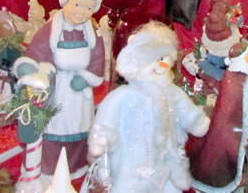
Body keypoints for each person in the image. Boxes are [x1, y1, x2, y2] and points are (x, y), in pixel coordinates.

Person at [88, 21, 210, 193]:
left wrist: (197, 123)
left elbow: (187, 112)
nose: (159, 65)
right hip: (131, 159)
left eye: (163, 59)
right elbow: (108, 115)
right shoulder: (125, 95)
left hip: (166, 160)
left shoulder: (172, 93)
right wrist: (100, 138)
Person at [20, 0, 106, 182]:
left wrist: (87, 77)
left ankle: (75, 166)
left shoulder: (92, 34)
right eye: (78, 5)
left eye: (88, 8)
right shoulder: (51, 30)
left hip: (79, 95)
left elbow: (98, 60)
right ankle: (48, 168)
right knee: (53, 128)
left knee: (79, 129)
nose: (82, 12)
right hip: (56, 90)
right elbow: (36, 53)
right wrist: (30, 68)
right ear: (66, 2)